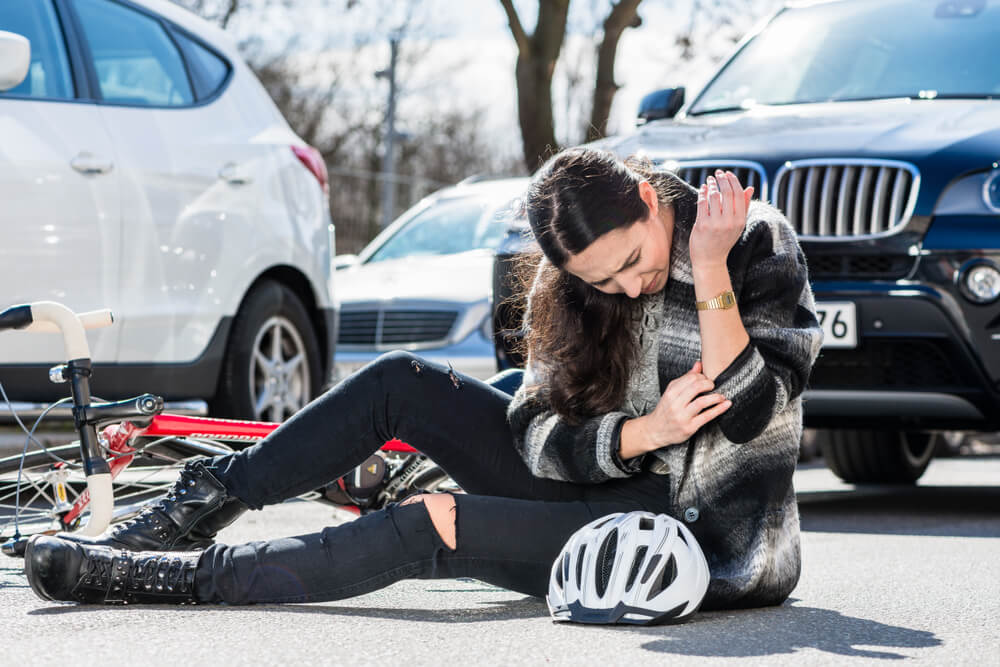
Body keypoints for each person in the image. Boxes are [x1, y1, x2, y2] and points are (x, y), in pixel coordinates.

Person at [24, 148, 822, 610]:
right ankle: (194, 508)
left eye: (633, 263)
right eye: (601, 281)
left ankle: (169, 579)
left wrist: (707, 267)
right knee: (399, 380)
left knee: (430, 520)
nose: (626, 288)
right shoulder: (576, 284)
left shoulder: (751, 241)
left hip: (696, 538)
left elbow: (753, 414)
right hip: (606, 478)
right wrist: (639, 433)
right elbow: (537, 431)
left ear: (650, 201)